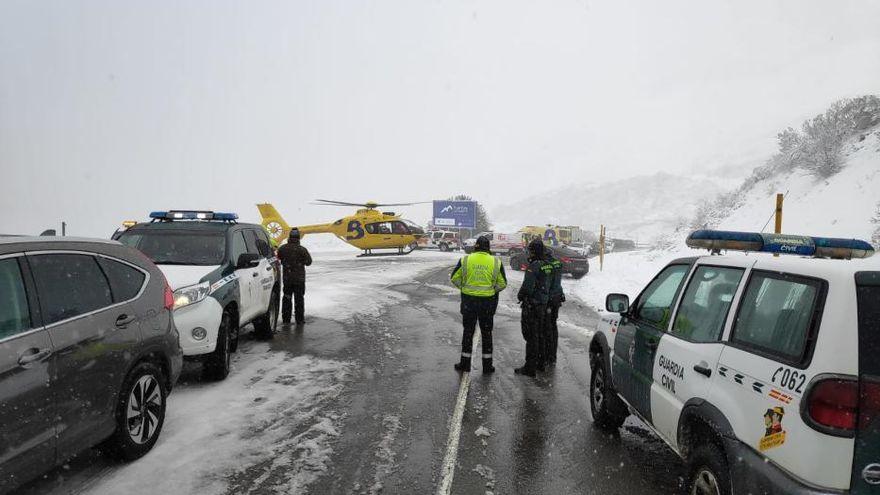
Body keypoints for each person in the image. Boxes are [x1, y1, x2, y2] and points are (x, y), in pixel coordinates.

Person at [450, 235, 507, 373]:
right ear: (488, 248)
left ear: (476, 246)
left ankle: (465, 364)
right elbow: (502, 283)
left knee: (468, 332)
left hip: (469, 302)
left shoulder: (466, 259)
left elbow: (454, 278)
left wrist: (464, 288)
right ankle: (487, 366)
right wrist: (492, 291)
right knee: (487, 333)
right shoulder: (496, 262)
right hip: (487, 304)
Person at [515, 239, 550, 377]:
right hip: (543, 304)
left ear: (534, 251)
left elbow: (527, 287)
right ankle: (540, 363)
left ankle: (530, 367)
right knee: (540, 335)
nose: (528, 253)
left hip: (532, 305)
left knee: (531, 336)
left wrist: (520, 296)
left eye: (530, 250)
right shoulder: (546, 265)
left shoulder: (533, 266)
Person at [277, 228, 312, 325]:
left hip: (287, 279)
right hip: (299, 279)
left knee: (287, 298)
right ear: (298, 238)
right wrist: (301, 262)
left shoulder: (283, 248)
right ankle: (299, 320)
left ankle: (286, 320)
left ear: (290, 237)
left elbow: (278, 257)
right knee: (299, 299)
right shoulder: (302, 249)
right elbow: (309, 262)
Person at [544, 249, 565, 366]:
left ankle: (548, 356)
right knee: (553, 326)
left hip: (550, 299)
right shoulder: (558, 263)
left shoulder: (548, 265)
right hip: (557, 298)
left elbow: (547, 283)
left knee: (547, 327)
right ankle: (553, 355)